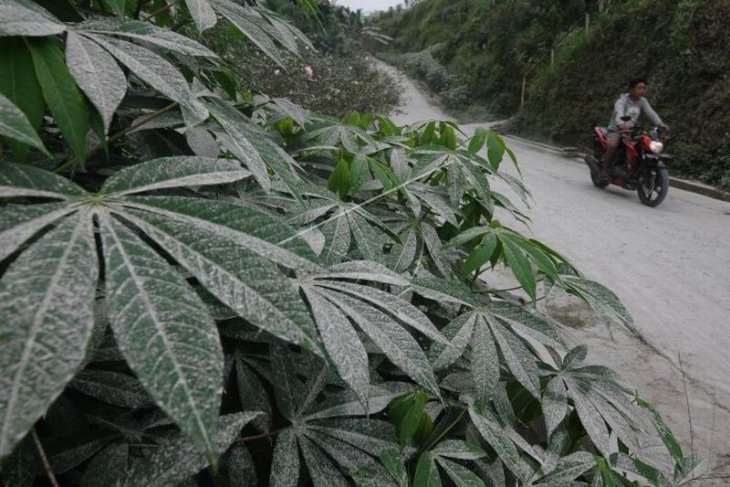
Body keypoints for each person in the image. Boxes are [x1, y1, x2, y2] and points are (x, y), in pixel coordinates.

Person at [601, 77, 669, 182]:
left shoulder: (642, 101)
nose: (642, 90)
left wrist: (660, 124)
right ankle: (605, 170)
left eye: (644, 88)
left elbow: (650, 112)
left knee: (642, 145)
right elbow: (619, 112)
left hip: (631, 131)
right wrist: (621, 124)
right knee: (613, 145)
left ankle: (634, 167)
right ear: (631, 89)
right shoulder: (622, 101)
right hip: (616, 130)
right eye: (639, 88)